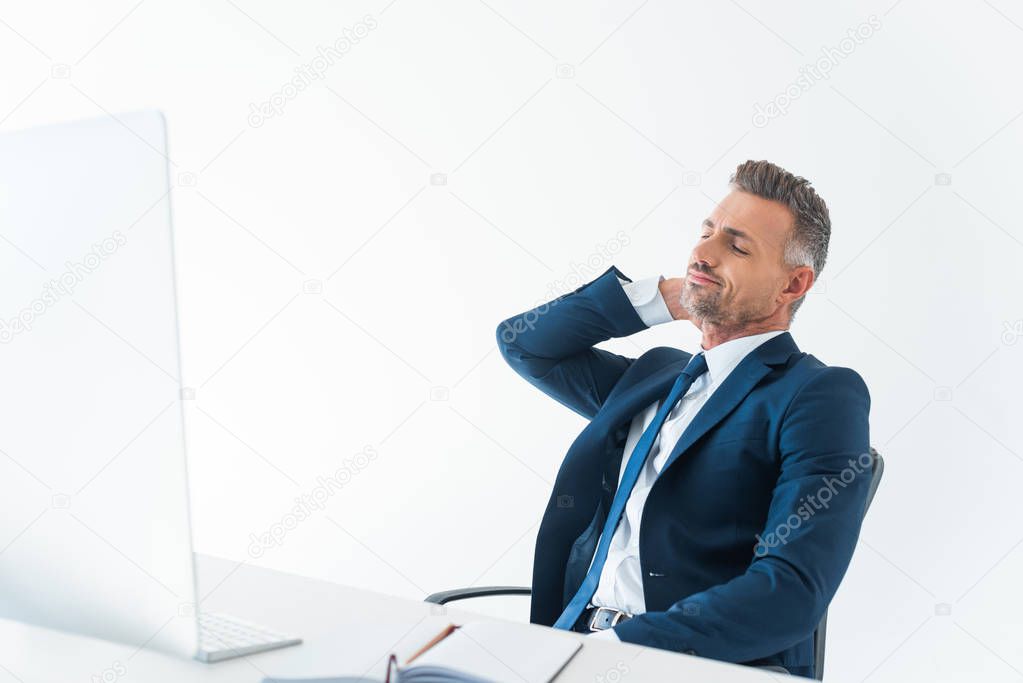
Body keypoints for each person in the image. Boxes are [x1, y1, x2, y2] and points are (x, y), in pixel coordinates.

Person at [497, 159, 873, 678]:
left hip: (685, 664)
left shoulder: (816, 394)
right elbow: (524, 344)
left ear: (793, 285)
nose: (703, 253)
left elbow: (789, 591)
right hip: (571, 645)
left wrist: (622, 647)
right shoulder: (655, 377)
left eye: (737, 247)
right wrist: (664, 298)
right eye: (706, 233)